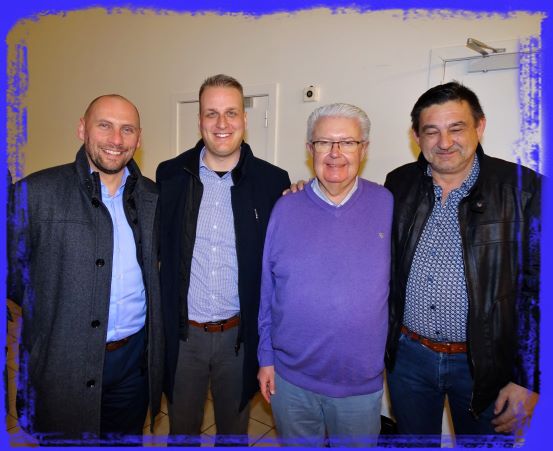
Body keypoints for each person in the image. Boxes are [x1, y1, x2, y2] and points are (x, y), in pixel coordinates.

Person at [384, 81, 541, 446]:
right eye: (431, 131)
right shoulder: (398, 184)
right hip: (408, 359)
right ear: (416, 136)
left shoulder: (525, 190)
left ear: (479, 127)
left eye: (456, 128)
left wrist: (529, 379)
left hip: (487, 367)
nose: (444, 142)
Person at [7, 95, 164, 445]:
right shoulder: (36, 193)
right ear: (82, 129)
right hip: (63, 366)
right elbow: (13, 279)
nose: (116, 139)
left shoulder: (152, 197)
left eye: (127, 130)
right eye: (104, 126)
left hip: (132, 367)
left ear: (139, 139)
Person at [156, 74, 290, 446]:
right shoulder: (170, 175)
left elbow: (281, 261)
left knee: (233, 434)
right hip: (184, 336)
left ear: (244, 119)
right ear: (199, 119)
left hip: (239, 338)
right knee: (181, 433)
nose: (221, 123)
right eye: (211, 113)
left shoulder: (272, 181)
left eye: (231, 112)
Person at [257, 103, 393, 447]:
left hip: (359, 385)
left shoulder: (387, 205)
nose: (335, 153)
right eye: (323, 143)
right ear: (310, 149)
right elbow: (267, 289)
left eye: (347, 142)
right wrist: (266, 358)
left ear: (363, 148)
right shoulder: (285, 207)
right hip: (290, 381)